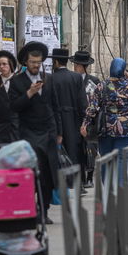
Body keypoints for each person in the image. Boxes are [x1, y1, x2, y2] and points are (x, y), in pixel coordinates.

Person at [9, 41, 60, 222]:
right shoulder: (17, 82)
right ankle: (29, 209)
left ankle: (43, 211)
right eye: (32, 62)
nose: (36, 66)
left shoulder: (48, 79)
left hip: (47, 132)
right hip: (28, 132)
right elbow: (13, 107)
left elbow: (55, 106)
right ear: (25, 62)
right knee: (31, 174)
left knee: (46, 175)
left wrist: (58, 133)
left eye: (39, 63)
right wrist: (29, 94)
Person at [81, 56, 128, 165]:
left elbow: (93, 107)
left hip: (106, 129)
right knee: (122, 161)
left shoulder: (102, 86)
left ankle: (107, 181)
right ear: (123, 70)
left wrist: (85, 124)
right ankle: (119, 182)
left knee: (106, 161)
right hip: (125, 130)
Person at [47, 46, 89, 174]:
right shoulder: (76, 77)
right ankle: (76, 181)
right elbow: (83, 102)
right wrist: (85, 122)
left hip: (55, 121)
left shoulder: (50, 79)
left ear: (55, 62)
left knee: (58, 153)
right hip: (74, 120)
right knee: (74, 151)